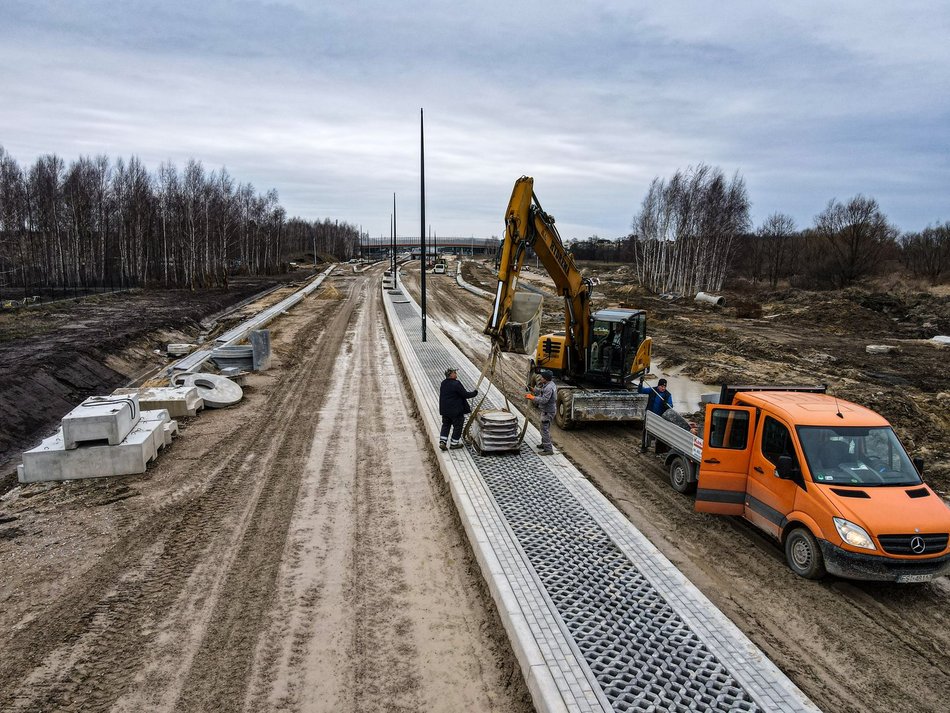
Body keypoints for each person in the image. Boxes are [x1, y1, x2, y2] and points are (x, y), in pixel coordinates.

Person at [439, 367, 478, 450]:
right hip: (456, 411)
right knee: (458, 426)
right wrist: (474, 393)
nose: (456, 374)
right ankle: (454, 443)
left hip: (445, 410)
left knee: (446, 425)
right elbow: (465, 394)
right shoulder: (456, 383)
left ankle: (443, 441)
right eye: (455, 373)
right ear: (451, 375)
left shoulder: (443, 383)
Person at [527, 369, 557, 455]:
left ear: (546, 379)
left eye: (542, 377)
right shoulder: (549, 384)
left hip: (548, 411)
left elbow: (544, 400)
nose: (541, 379)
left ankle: (548, 450)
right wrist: (533, 390)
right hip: (547, 410)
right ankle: (544, 444)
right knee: (543, 428)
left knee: (544, 430)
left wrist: (532, 398)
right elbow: (542, 391)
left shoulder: (549, 387)